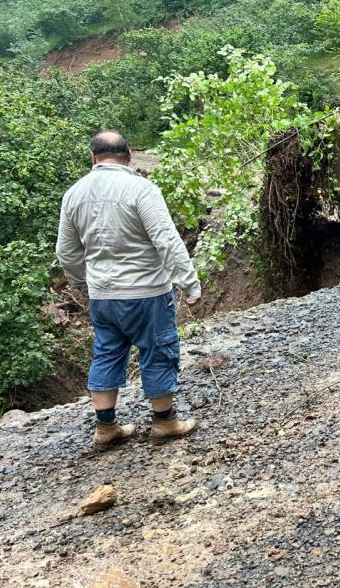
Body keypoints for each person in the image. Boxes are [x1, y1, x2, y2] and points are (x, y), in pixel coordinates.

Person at [56, 131, 201, 451]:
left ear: (94, 157)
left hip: (103, 296)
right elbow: (166, 240)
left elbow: (66, 252)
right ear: (130, 156)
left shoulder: (73, 194)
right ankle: (164, 422)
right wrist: (189, 282)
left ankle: (106, 428)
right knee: (158, 350)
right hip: (146, 292)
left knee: (107, 352)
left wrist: (83, 284)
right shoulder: (141, 189)